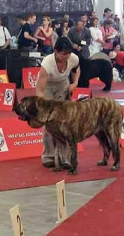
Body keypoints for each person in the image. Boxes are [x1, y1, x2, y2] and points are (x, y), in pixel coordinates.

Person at [35, 36, 80, 169]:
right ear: (55, 51)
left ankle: (64, 157)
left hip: (62, 83)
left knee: (64, 121)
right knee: (49, 122)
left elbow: (76, 70)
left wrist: (75, 83)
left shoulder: (74, 58)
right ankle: (48, 156)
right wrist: (43, 106)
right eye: (63, 54)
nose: (66, 56)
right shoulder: (47, 63)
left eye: (69, 53)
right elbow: (40, 89)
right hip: (47, 86)